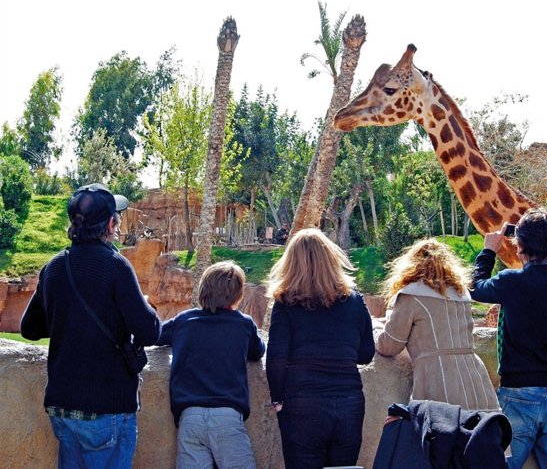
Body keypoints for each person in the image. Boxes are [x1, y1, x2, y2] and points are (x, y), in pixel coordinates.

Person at [20, 183, 161, 468]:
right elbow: (150, 331)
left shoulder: (54, 266)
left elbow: (30, 328)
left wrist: (69, 318)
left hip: (62, 407)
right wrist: (144, 304)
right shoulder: (116, 266)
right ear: (111, 223)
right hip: (105, 408)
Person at [472, 208, 547, 469]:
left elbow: (475, 286)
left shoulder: (511, 282)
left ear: (519, 245)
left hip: (518, 393)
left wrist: (489, 250)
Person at [265, 228, 375, 469]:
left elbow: (275, 358)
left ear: (291, 262)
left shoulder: (284, 303)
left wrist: (278, 401)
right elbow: (366, 354)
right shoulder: (355, 301)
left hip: (302, 404)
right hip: (349, 402)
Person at [156, 261, 265, 469]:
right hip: (227, 416)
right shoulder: (243, 324)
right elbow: (258, 351)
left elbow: (156, 335)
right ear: (238, 294)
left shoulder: (184, 320)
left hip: (190, 416)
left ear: (203, 290)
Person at [375, 238, 501, 412]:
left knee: (441, 432)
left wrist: (375, 331)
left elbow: (389, 345)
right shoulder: (460, 294)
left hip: (437, 378)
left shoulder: (410, 295)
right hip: (474, 376)